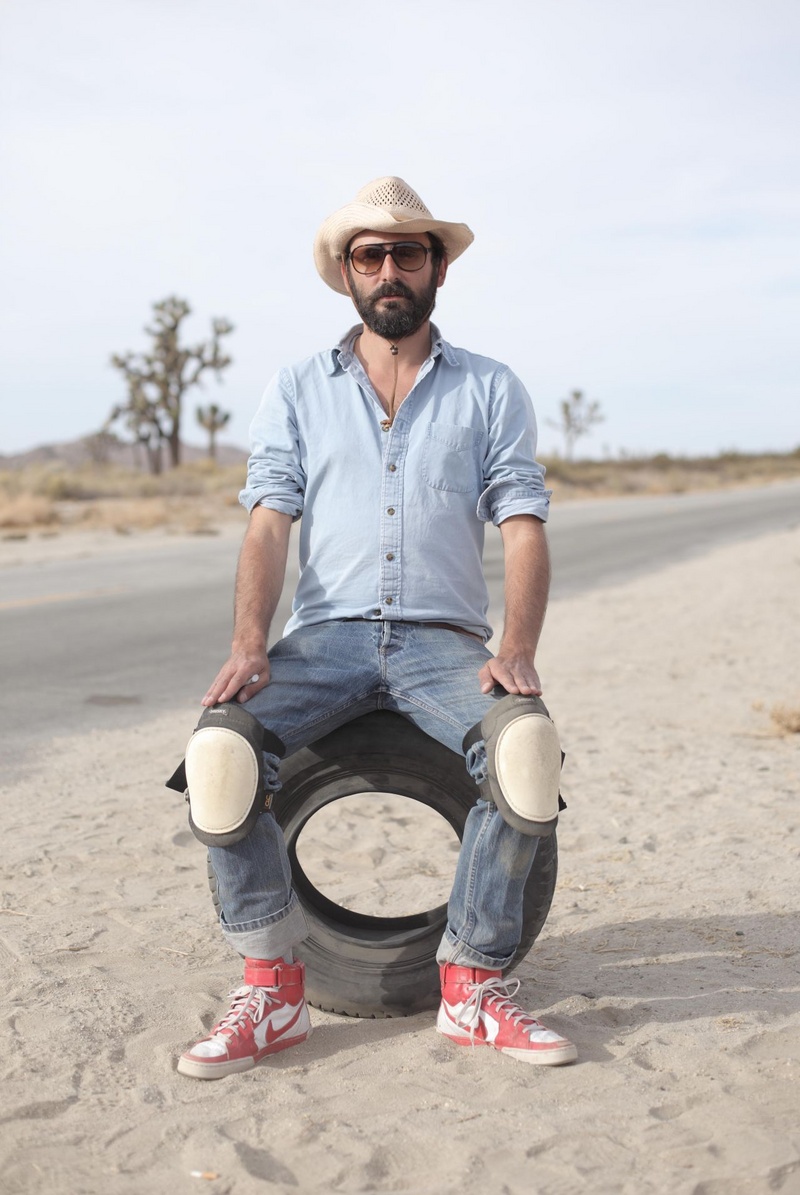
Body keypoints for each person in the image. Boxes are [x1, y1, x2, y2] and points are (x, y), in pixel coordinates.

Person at [173, 176, 577, 1079]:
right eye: (370, 255)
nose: (389, 269)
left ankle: (471, 985)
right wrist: (249, 644)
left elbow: (523, 522)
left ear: (437, 268)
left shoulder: (490, 388)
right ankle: (274, 990)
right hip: (327, 639)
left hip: (444, 643)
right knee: (220, 753)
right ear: (347, 272)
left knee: (526, 748)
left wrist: (517, 650)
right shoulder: (296, 387)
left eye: (407, 252)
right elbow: (268, 524)